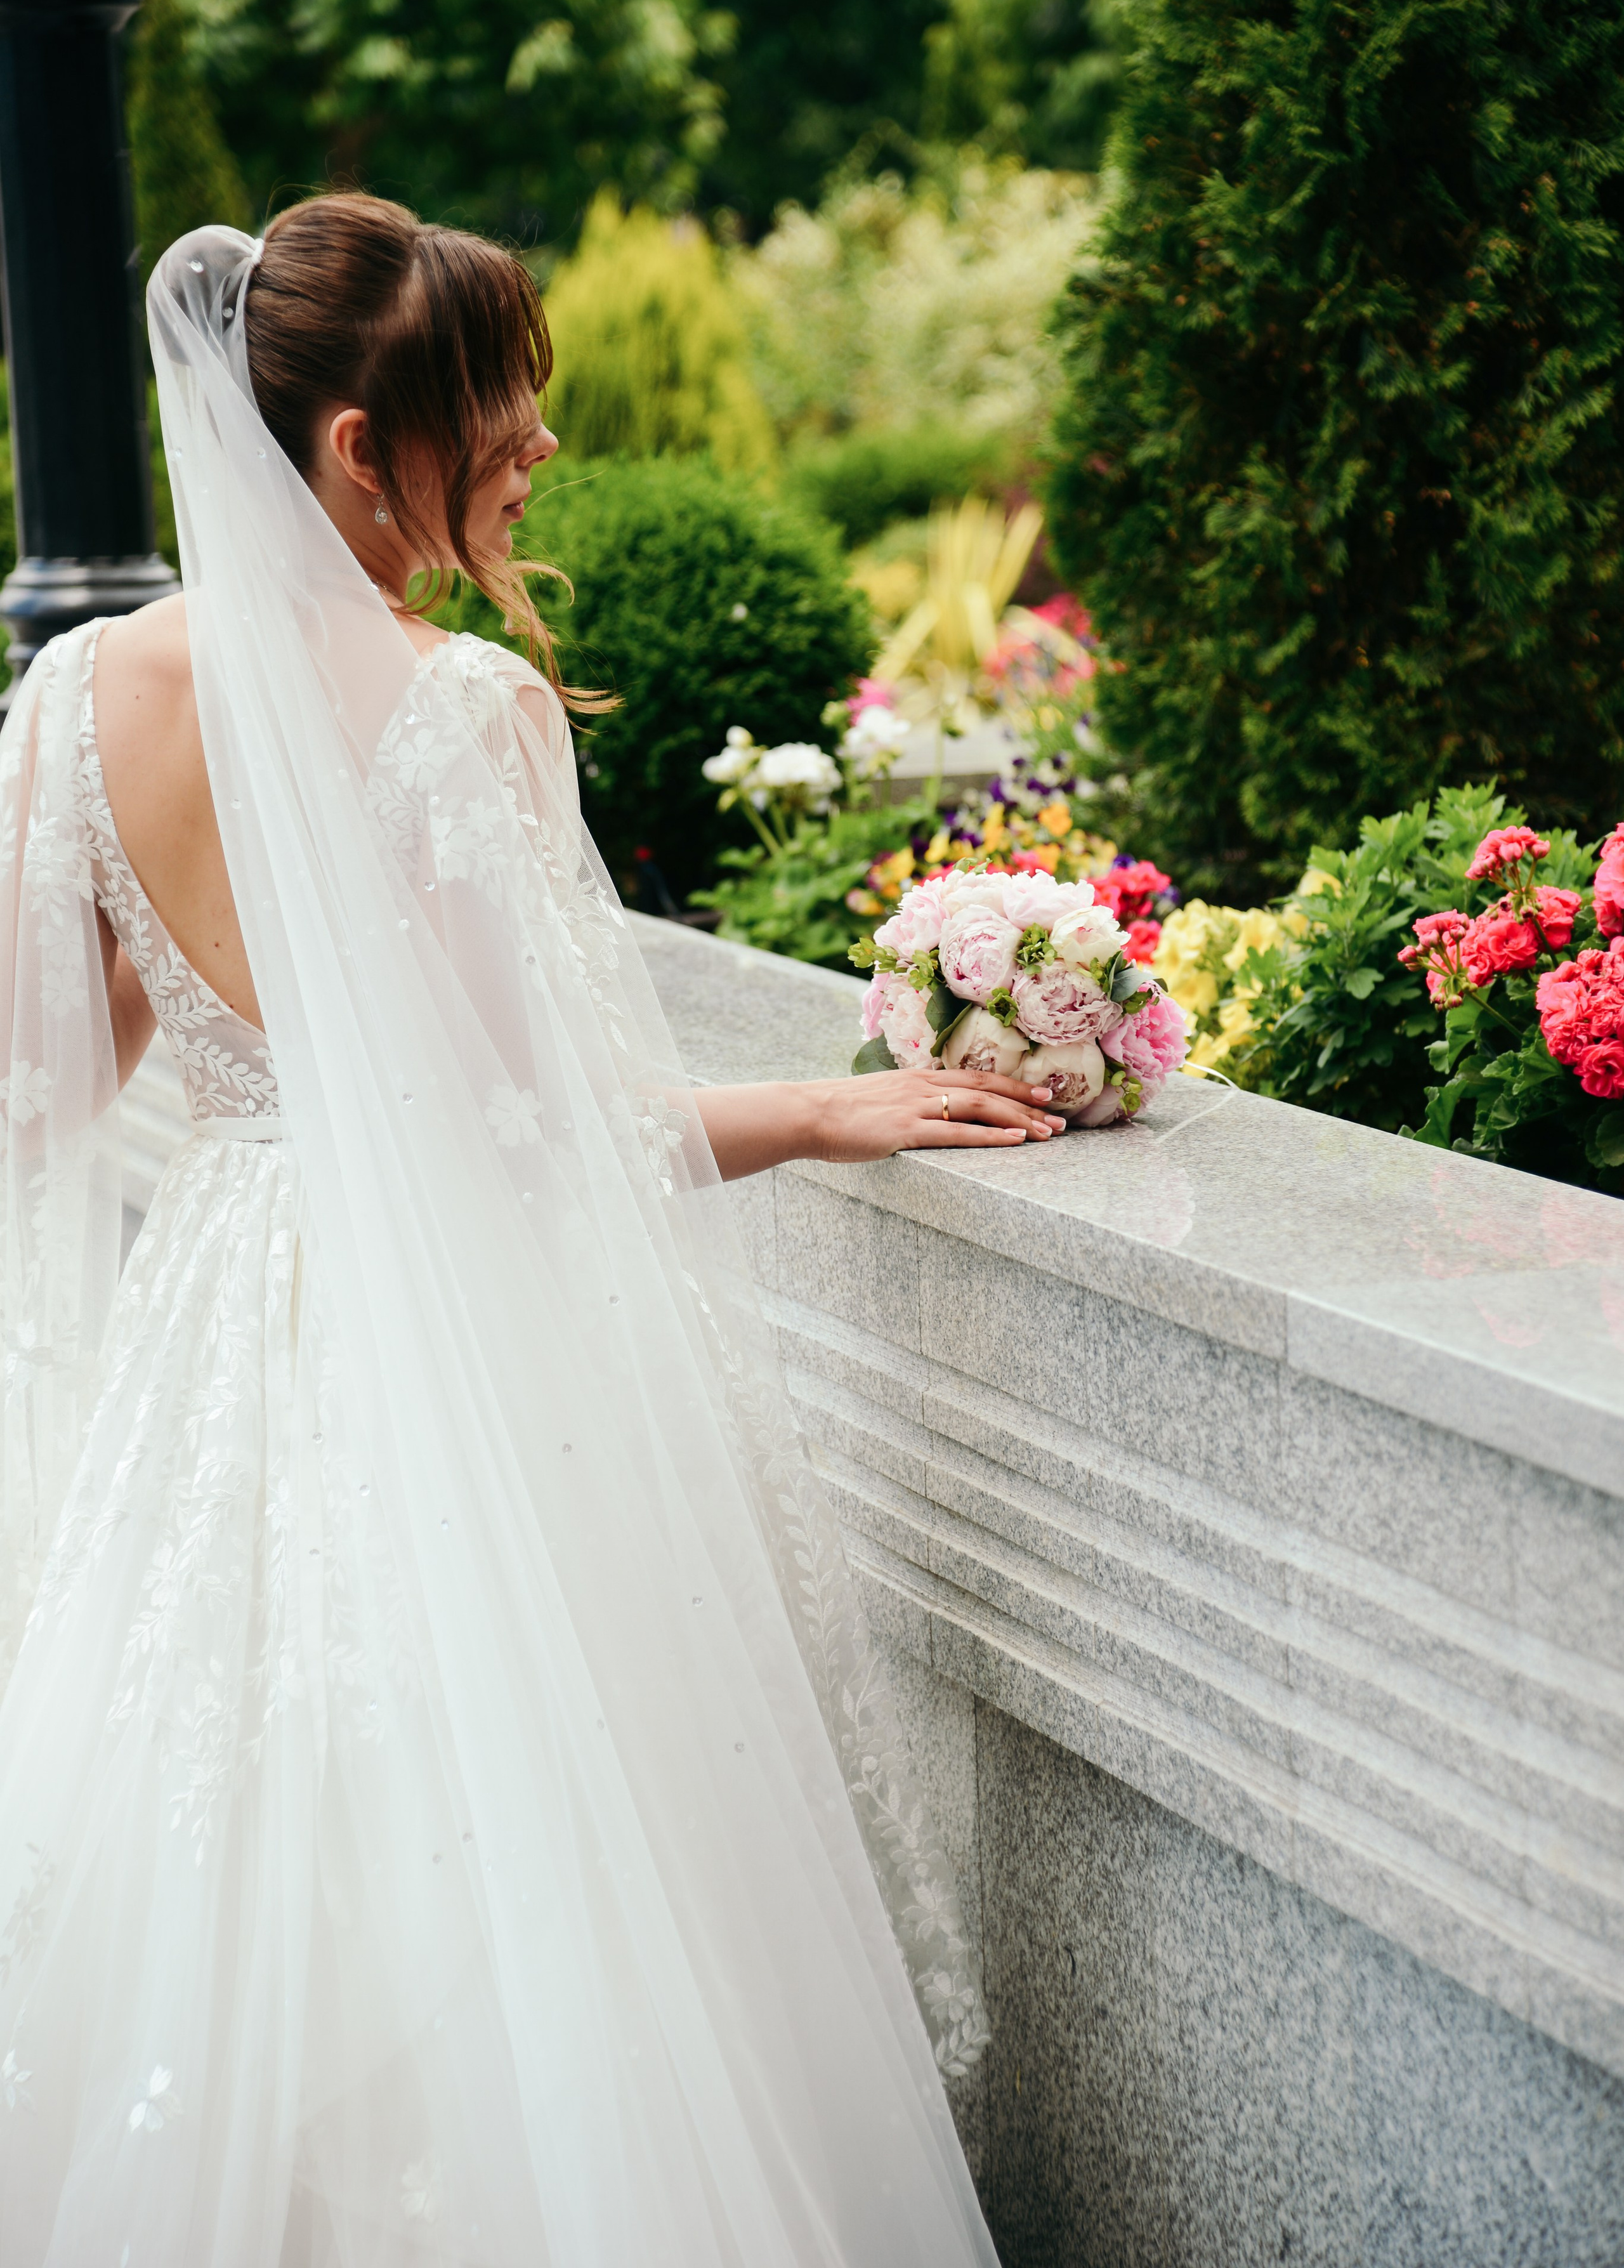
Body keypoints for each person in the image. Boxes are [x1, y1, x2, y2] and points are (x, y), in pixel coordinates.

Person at [0, 195, 1058, 2266]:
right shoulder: (453, 710)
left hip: (214, 1347)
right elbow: (536, 1132)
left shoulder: (75, 700)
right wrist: (833, 1106)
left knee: (218, 1859)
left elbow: (55, 1082)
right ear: (355, 451)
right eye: (506, 407)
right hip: (434, 1362)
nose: (542, 451)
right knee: (500, 1862)